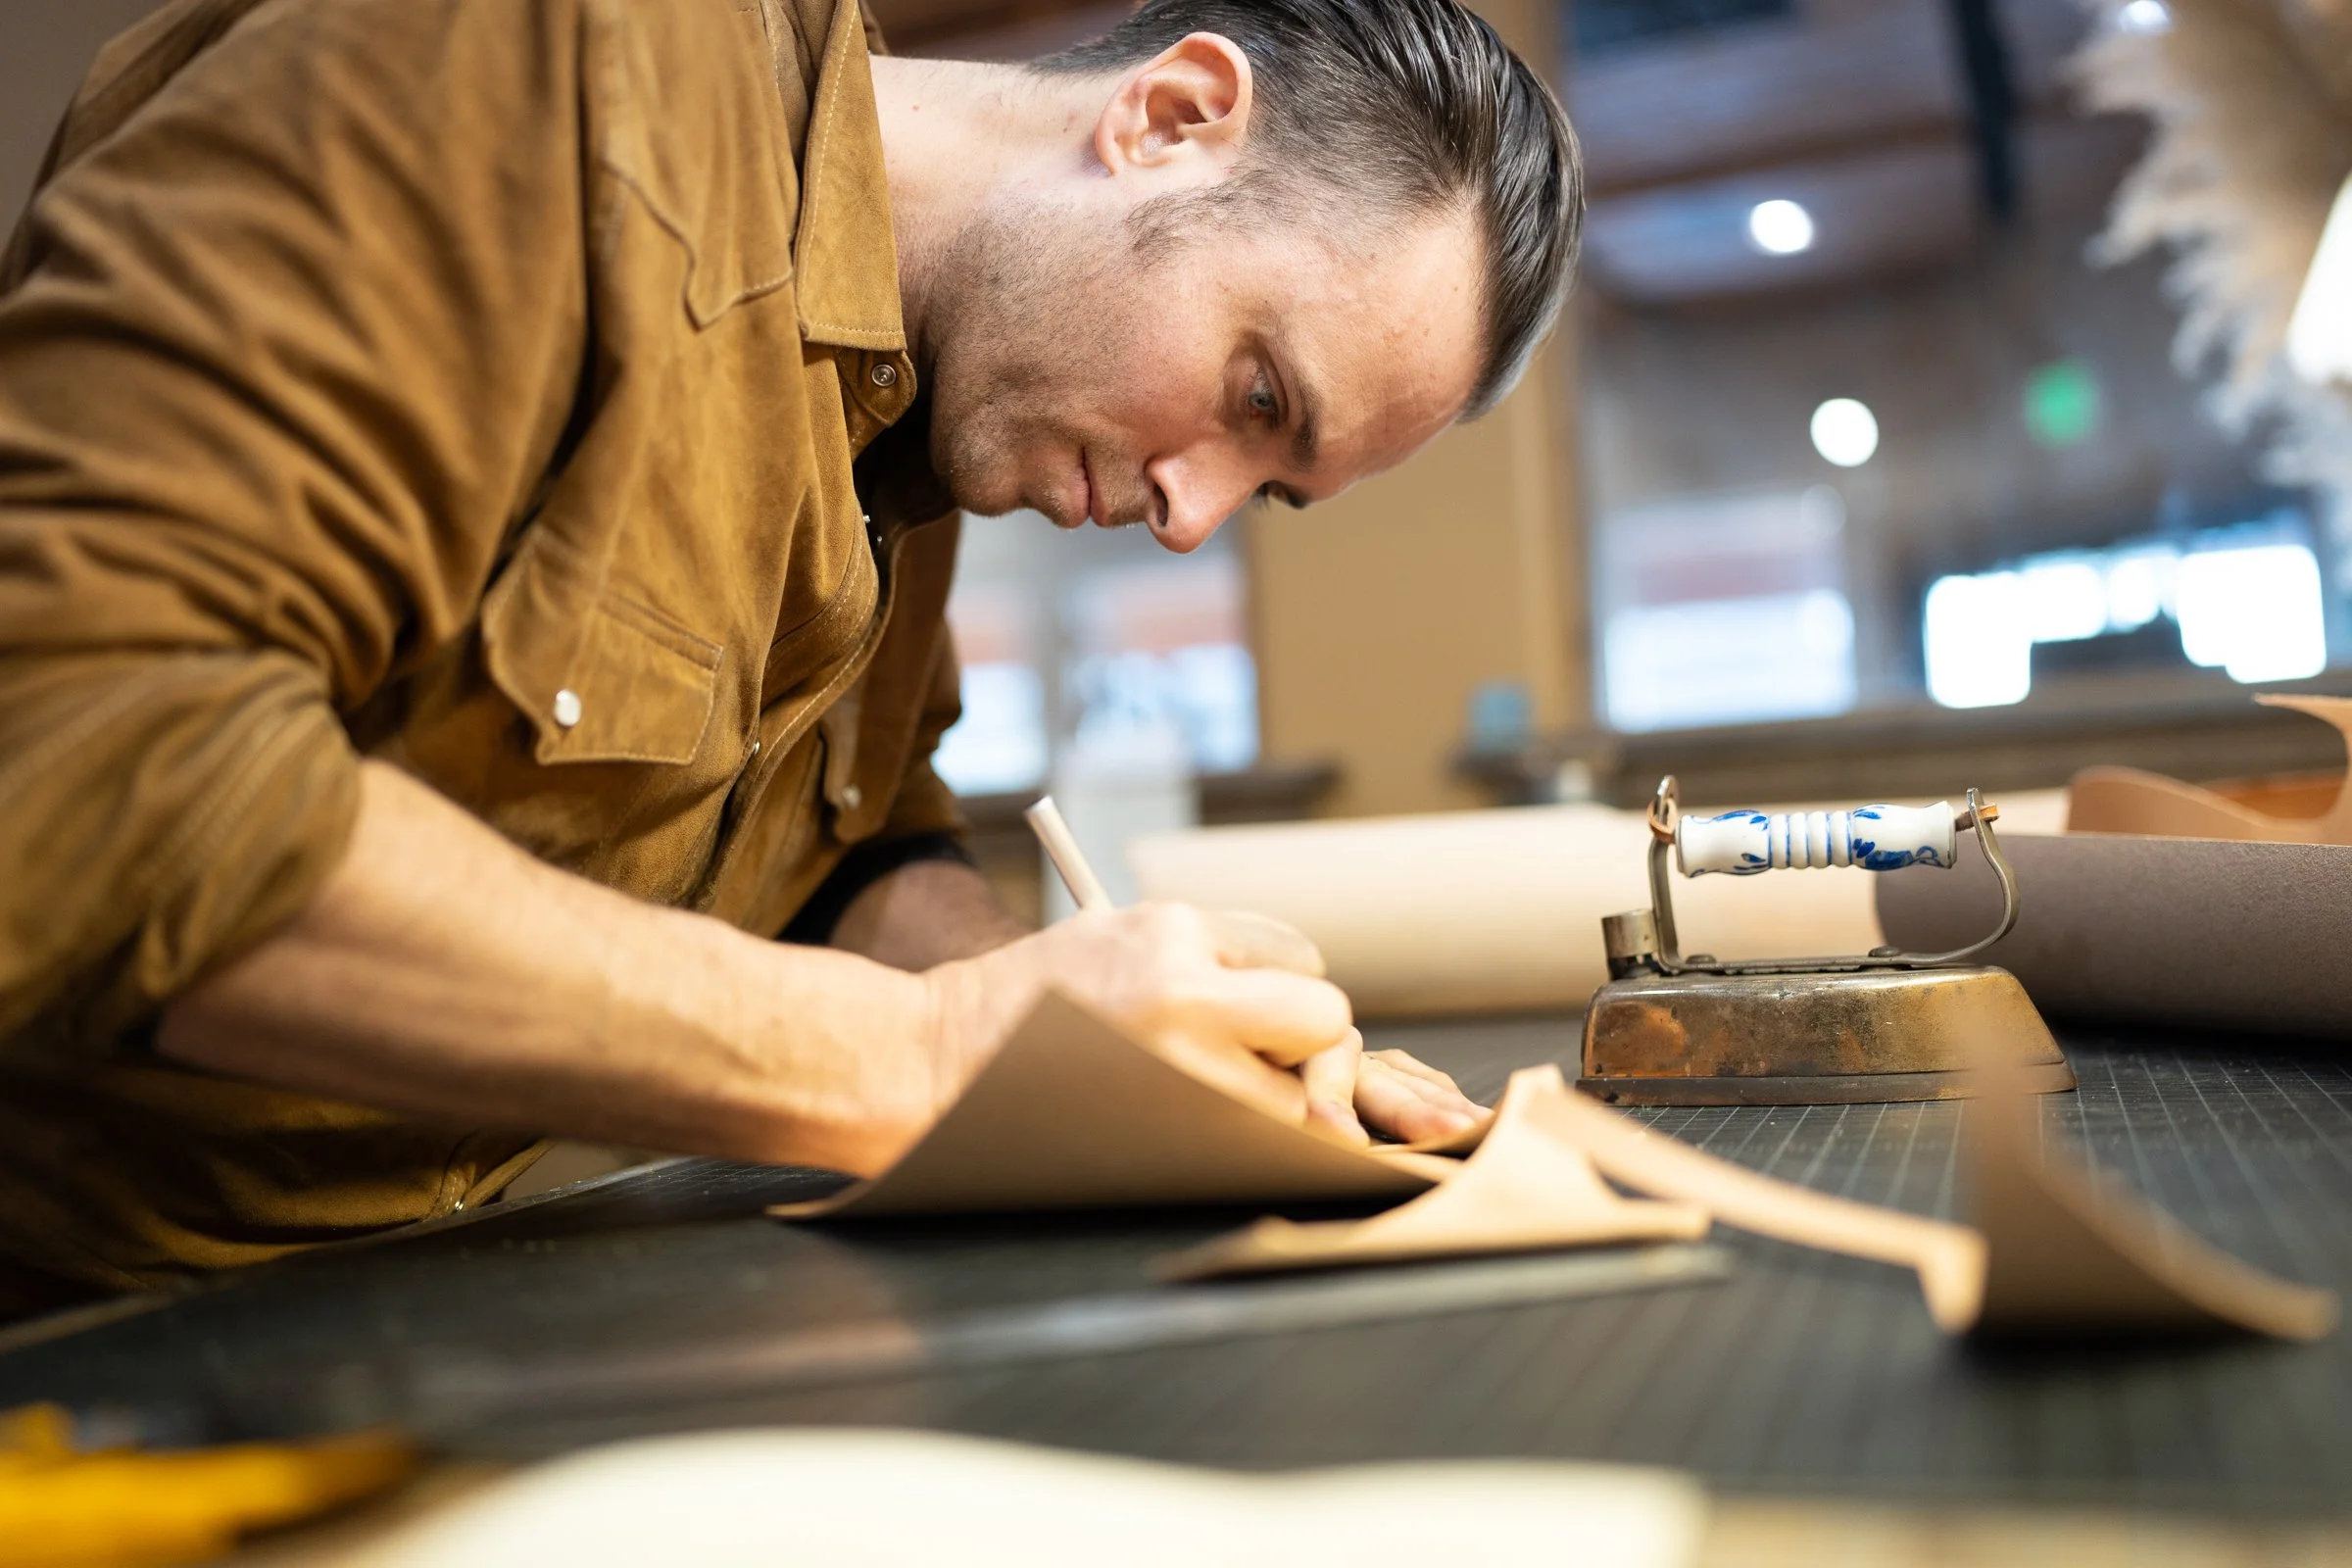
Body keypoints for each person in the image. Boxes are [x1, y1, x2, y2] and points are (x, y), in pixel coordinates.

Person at [0, 0, 1583, 1315]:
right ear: (1172, 114)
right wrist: (927, 1053)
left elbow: (838, 854)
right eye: (1255, 399)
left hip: (376, 1303)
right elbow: (85, 750)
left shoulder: (929, 419)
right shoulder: (544, 60)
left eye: (1270, 494)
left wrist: (1097, 1046)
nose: (1191, 519)